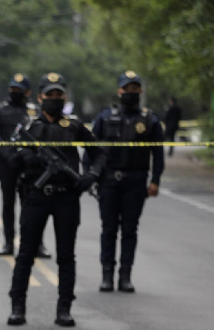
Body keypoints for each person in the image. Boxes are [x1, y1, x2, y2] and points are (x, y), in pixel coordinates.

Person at [7, 72, 106, 327]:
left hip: (66, 197)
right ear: (40, 97)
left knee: (66, 255)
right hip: (36, 195)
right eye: (49, 94)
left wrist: (91, 175)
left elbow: (99, 153)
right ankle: (18, 307)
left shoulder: (74, 126)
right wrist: (24, 157)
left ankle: (64, 309)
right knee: (26, 253)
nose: (54, 98)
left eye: (58, 94)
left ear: (65, 96)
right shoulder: (29, 127)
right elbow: (10, 158)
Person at [91, 71, 164, 293]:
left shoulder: (149, 120)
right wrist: (91, 176)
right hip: (109, 180)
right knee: (109, 229)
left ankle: (125, 276)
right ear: (119, 90)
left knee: (130, 230)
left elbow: (158, 153)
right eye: (127, 89)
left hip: (136, 180)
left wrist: (155, 180)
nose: (130, 92)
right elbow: (91, 149)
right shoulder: (105, 117)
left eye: (134, 89)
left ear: (140, 91)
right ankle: (107, 275)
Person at [0, 73, 51, 258]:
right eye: (13, 89)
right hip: (6, 163)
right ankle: (8, 243)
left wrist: (27, 155)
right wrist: (9, 155)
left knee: (33, 204)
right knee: (8, 203)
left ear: (28, 92)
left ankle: (36, 243)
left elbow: (41, 133)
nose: (15, 92)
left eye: (19, 90)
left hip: (29, 164)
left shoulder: (34, 110)